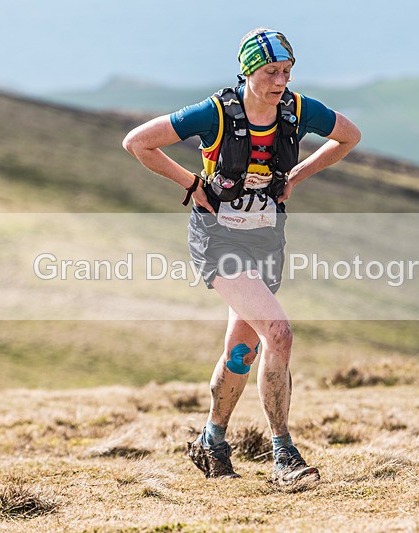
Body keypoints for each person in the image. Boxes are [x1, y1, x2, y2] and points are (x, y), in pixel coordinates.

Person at [122, 28, 360, 485]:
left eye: (287, 72)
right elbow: (138, 141)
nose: (280, 81)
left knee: (242, 348)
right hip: (218, 241)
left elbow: (349, 136)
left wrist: (298, 175)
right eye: (271, 72)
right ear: (249, 70)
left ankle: (211, 440)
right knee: (280, 333)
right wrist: (190, 184)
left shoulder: (297, 109)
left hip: (266, 239)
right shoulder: (213, 113)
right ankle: (283, 455)